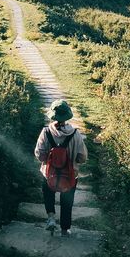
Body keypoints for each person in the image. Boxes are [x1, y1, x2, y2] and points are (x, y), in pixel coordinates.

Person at [34, 99, 87, 237]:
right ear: (67, 116)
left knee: (48, 194)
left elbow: (39, 154)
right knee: (67, 201)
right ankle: (65, 228)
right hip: (70, 175)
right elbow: (82, 157)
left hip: (49, 174)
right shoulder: (75, 134)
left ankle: (51, 218)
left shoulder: (46, 132)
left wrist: (49, 159)